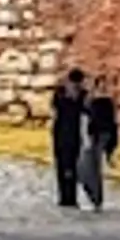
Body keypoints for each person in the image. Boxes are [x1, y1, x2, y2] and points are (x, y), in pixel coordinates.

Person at [48, 68, 91, 208]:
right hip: (61, 132)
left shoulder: (83, 95)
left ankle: (71, 197)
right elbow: (55, 107)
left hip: (74, 133)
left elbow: (87, 111)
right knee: (61, 164)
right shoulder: (60, 93)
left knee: (71, 165)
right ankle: (63, 196)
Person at [82, 85, 120, 211]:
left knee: (93, 167)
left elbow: (108, 124)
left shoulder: (100, 104)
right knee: (92, 167)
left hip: (98, 135)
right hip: (98, 135)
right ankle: (95, 196)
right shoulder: (100, 104)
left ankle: (96, 197)